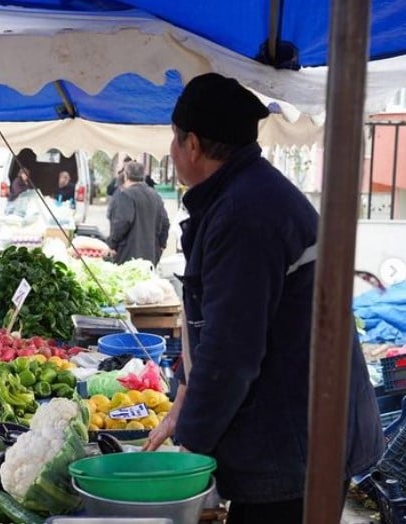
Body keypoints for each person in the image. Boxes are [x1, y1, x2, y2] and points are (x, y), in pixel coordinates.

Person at [142, 73, 383, 523]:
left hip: (295, 446)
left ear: (192, 144)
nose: (172, 152)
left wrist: (190, 446)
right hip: (298, 432)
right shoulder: (247, 193)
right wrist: (185, 396)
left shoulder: (243, 213)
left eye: (174, 140)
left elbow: (232, 351)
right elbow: (217, 326)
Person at [106, 161, 169, 266]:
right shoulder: (155, 195)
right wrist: (161, 245)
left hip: (128, 255)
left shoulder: (126, 195)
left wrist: (112, 244)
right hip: (151, 255)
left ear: (125, 175)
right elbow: (165, 223)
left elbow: (122, 223)